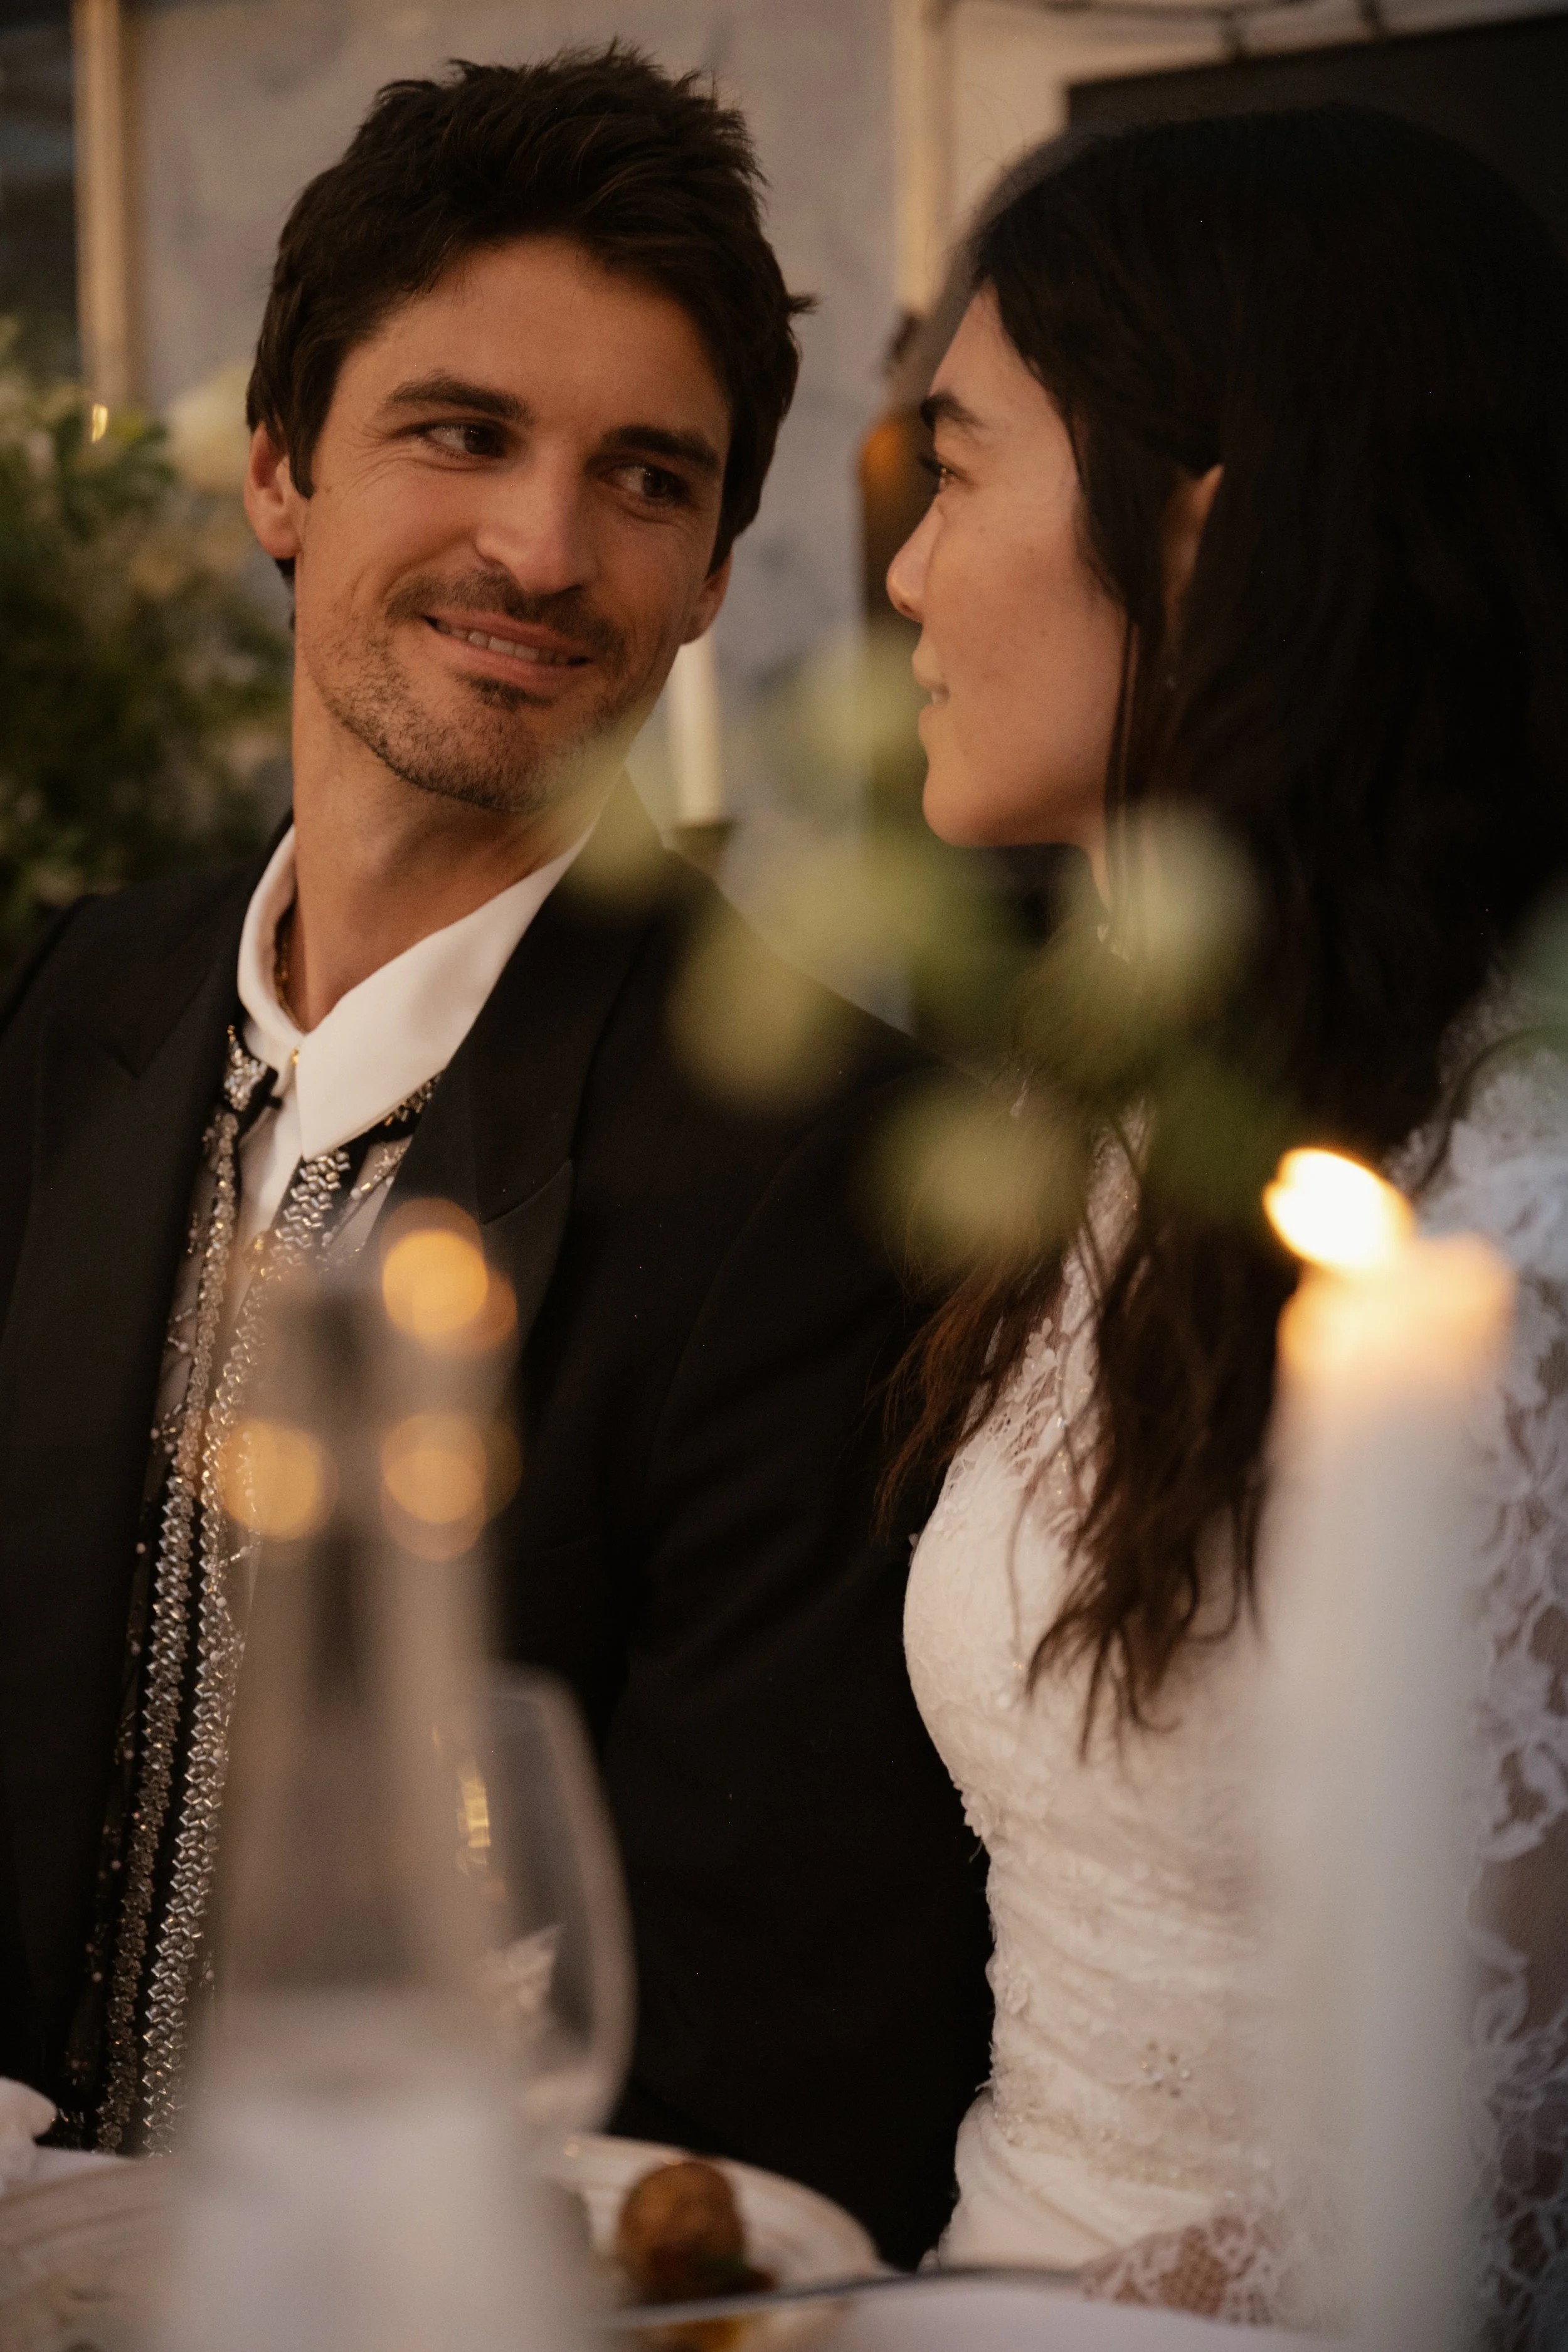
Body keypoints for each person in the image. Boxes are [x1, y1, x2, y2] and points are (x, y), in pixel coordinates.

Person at [0, 46, 993, 2260]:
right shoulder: (63, 1007)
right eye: (460, 434)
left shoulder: (837, 1169)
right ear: (275, 468)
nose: (545, 552)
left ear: (720, 572)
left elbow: (755, 2069)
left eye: (646, 479)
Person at [885, 107, 1568, 2336]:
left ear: (1196, 529)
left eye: (957, 467)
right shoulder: (1117, 1109)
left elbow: (1494, 2166)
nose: (898, 573)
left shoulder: (1507, 1243)